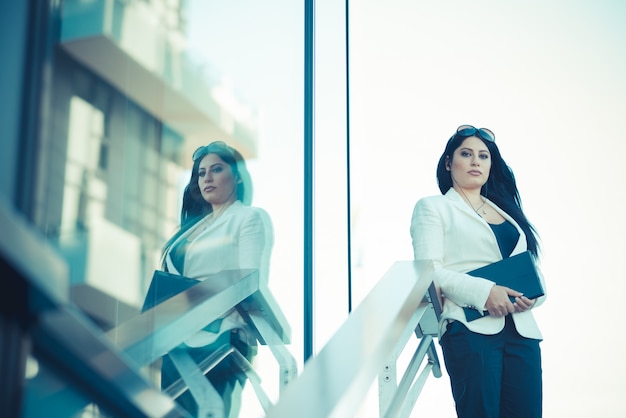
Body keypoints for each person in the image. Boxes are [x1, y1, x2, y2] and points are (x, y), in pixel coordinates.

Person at [410, 125, 546, 418]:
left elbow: (529, 267)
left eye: (484, 156)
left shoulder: (508, 213)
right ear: (449, 163)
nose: (476, 162)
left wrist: (534, 296)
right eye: (466, 154)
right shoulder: (433, 208)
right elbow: (430, 272)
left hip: (522, 330)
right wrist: (485, 293)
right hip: (470, 329)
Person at [159, 141, 273, 417]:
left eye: (216, 169)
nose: (207, 178)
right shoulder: (189, 231)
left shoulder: (249, 218)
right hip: (177, 340)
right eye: (200, 173)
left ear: (236, 177)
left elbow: (248, 281)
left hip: (222, 336)